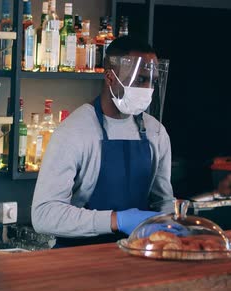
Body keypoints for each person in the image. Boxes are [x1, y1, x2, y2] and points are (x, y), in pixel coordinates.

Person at [32, 36, 181, 248]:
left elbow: (162, 201)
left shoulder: (156, 132)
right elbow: (44, 216)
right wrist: (118, 220)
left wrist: (171, 224)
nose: (148, 88)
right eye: (140, 80)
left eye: (153, 81)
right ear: (110, 78)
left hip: (137, 255)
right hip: (80, 259)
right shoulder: (74, 132)